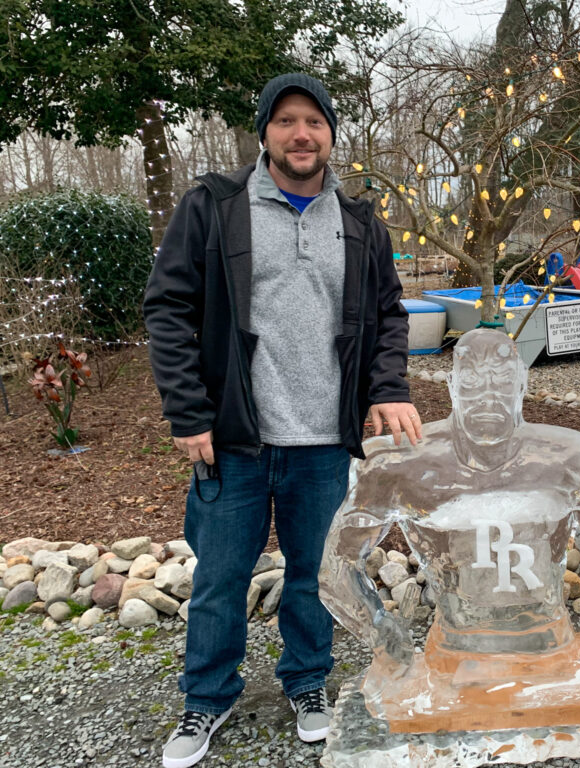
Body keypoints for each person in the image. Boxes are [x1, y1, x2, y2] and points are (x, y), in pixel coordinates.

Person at [143, 72, 421, 768]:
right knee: (218, 580)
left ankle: (307, 684)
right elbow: (167, 310)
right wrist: (188, 412)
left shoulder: (359, 223)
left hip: (324, 441)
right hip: (234, 440)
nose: (302, 134)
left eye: (315, 122)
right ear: (265, 132)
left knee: (312, 575)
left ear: (331, 134)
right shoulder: (215, 207)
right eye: (287, 121)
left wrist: (388, 387)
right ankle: (207, 697)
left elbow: (388, 315)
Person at [318, 329, 580, 738]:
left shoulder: (573, 457)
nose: (487, 395)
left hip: (549, 643)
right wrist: (379, 628)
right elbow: (338, 563)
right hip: (457, 651)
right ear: (452, 385)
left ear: (522, 383)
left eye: (502, 380)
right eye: (471, 381)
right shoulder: (399, 463)